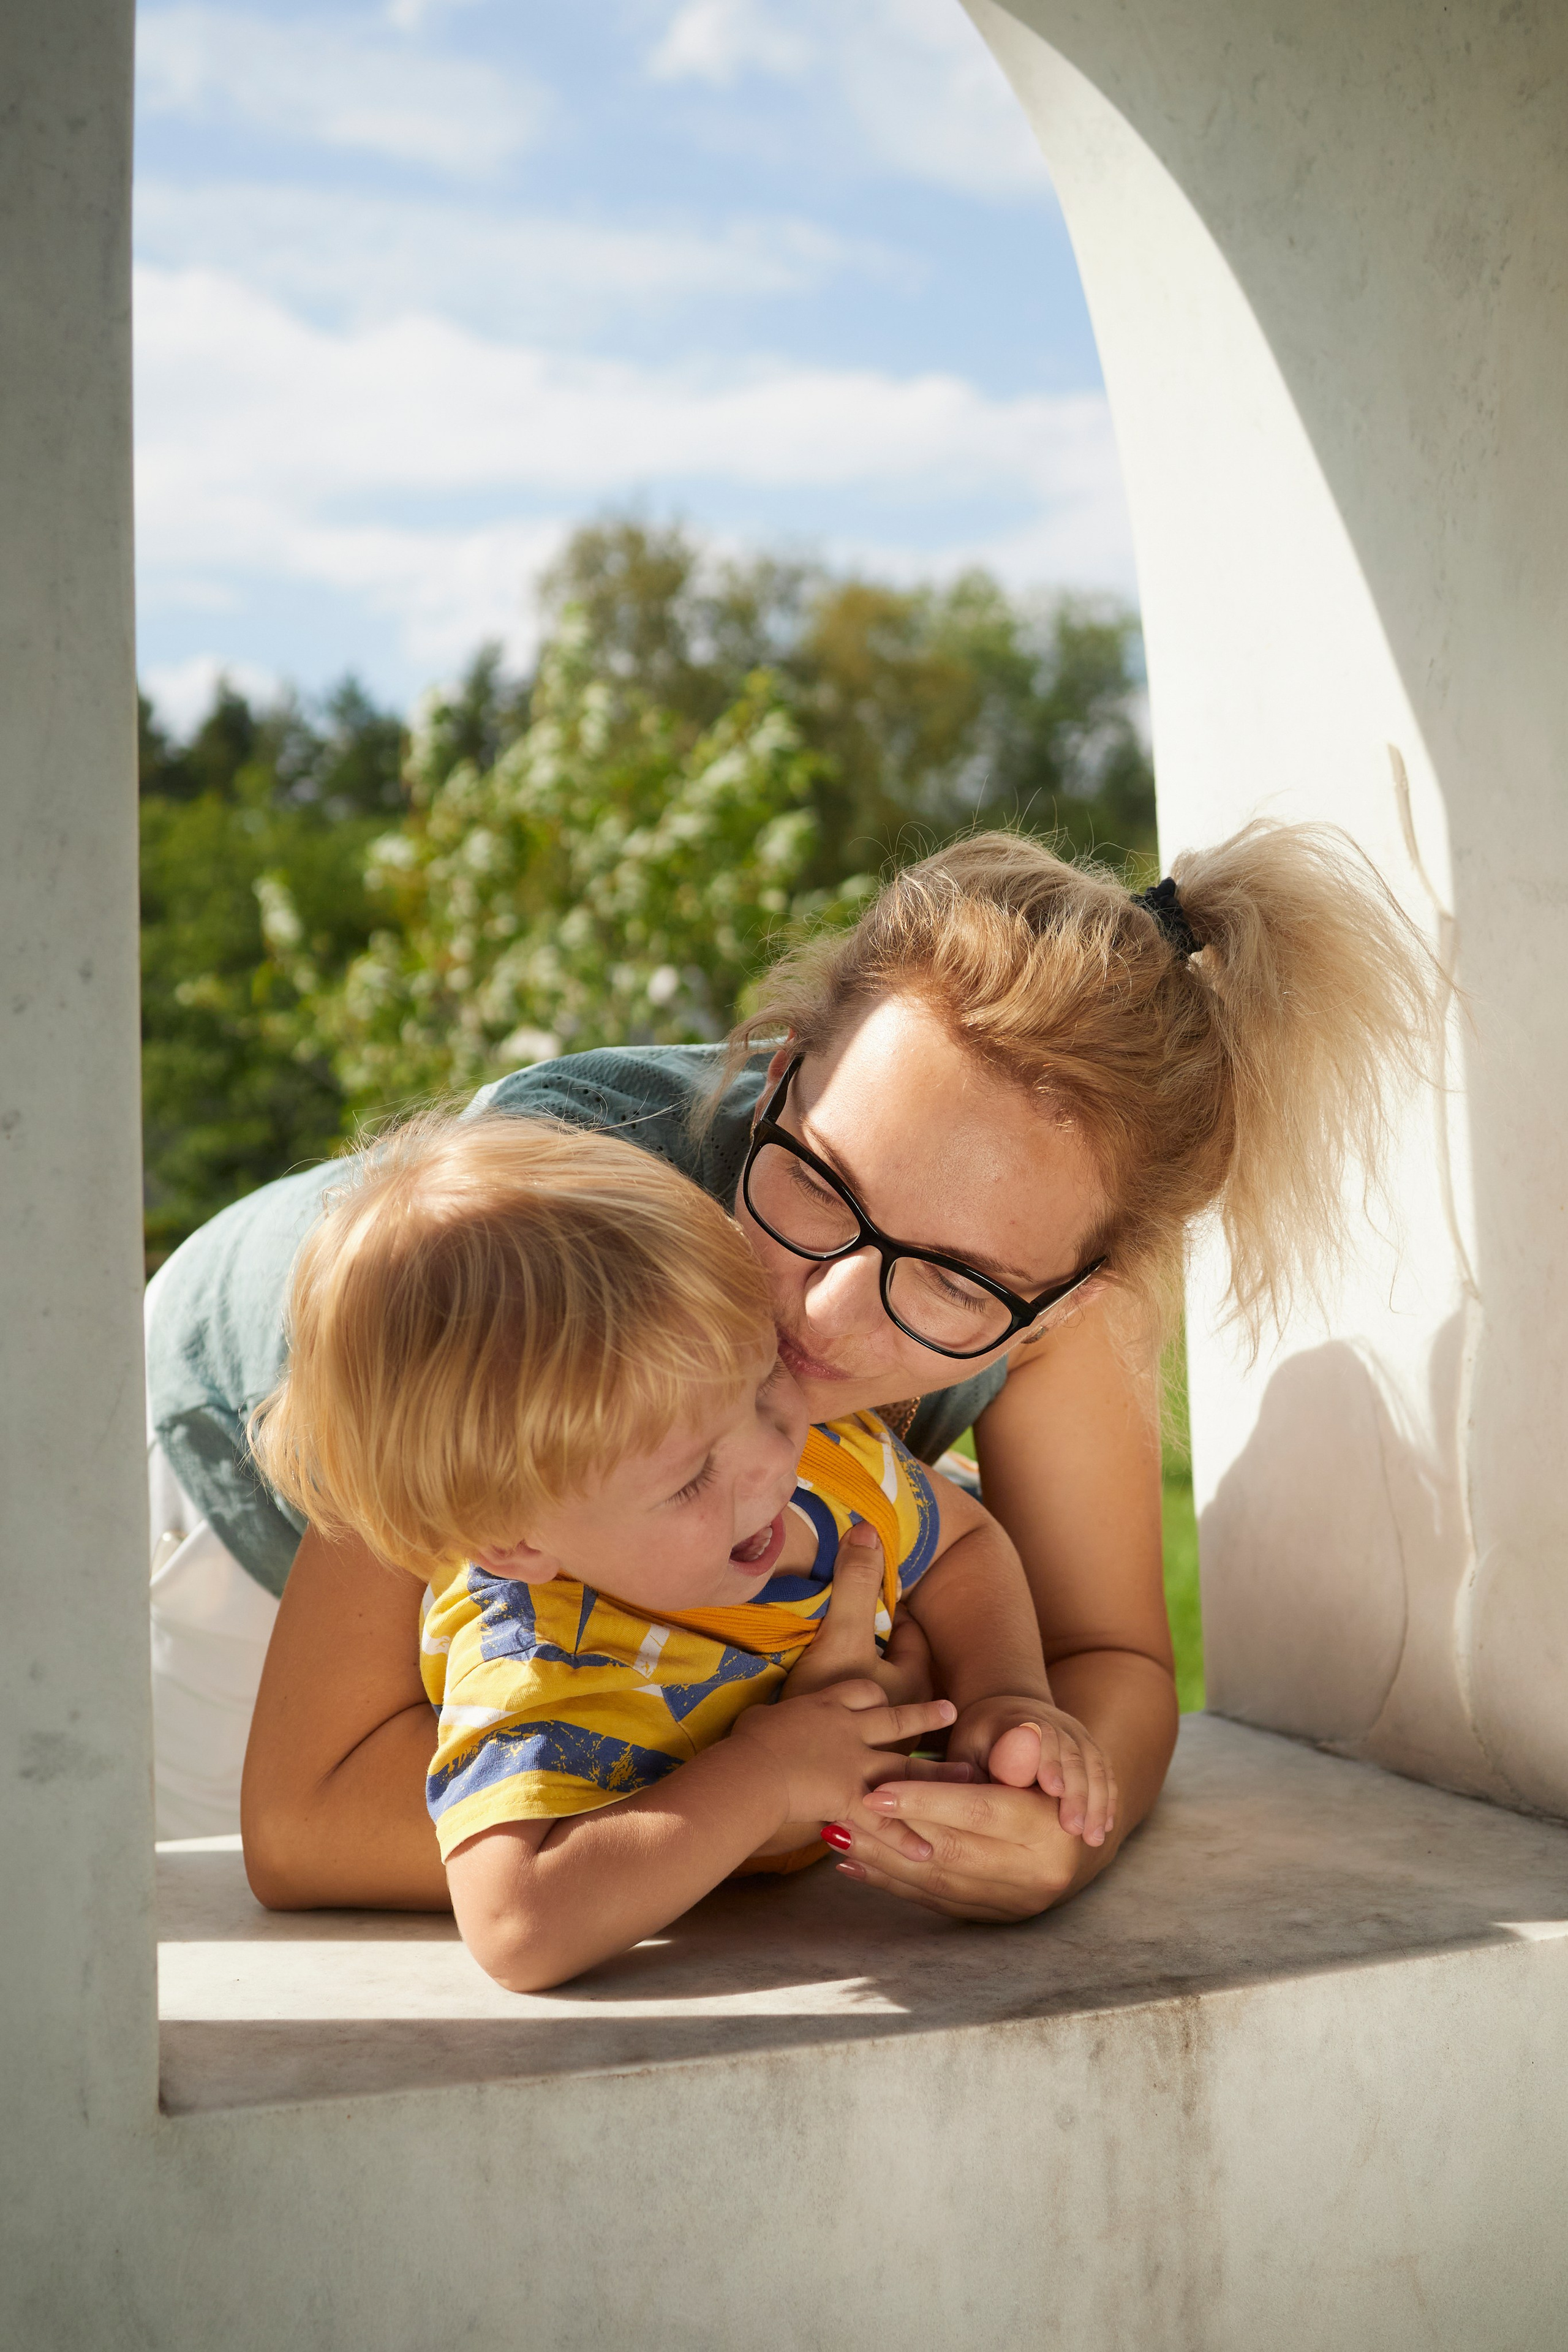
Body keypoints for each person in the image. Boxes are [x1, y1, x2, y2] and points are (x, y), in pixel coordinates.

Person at [145, 819, 1434, 1920]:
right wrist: (778, 1793)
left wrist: (1054, 1823)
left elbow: (1107, 1659)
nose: (817, 1310)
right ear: (777, 1066)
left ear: (1062, 1306)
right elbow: (309, 1821)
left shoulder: (1049, 1297)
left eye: (949, 1281)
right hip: (227, 1501)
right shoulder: (541, 1240)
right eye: (818, 1180)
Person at [243, 1110, 1111, 1988]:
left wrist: (1007, 1692)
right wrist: (765, 1781)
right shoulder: (540, 1658)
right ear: (515, 1541)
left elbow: (960, 1542)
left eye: (764, 1381)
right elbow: (515, 1925)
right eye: (692, 1478)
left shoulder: (821, 1453)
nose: (771, 1462)